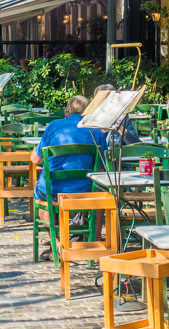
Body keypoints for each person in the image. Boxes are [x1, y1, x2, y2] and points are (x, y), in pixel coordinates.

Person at [30, 95, 107, 257]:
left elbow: (35, 159)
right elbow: (101, 170)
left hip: (52, 190)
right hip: (84, 190)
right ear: (88, 113)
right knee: (101, 193)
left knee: (41, 196)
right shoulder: (96, 131)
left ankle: (56, 241)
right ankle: (96, 237)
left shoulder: (54, 126)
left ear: (66, 112)